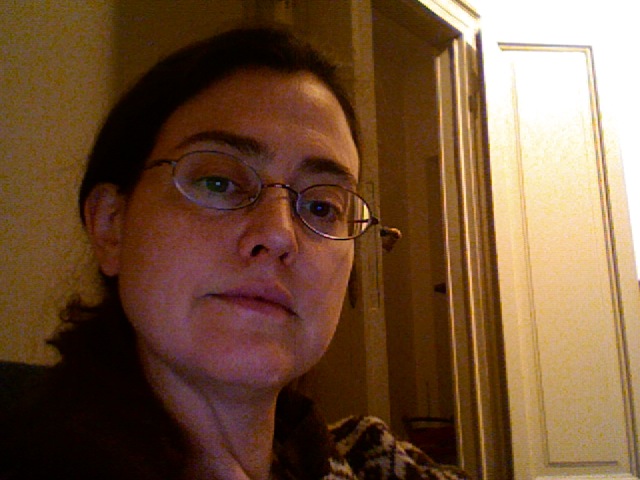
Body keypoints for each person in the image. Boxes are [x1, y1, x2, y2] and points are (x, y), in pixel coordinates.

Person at [0, 26, 470, 480]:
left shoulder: (377, 460)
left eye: (322, 207)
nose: (280, 234)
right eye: (218, 182)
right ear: (111, 226)